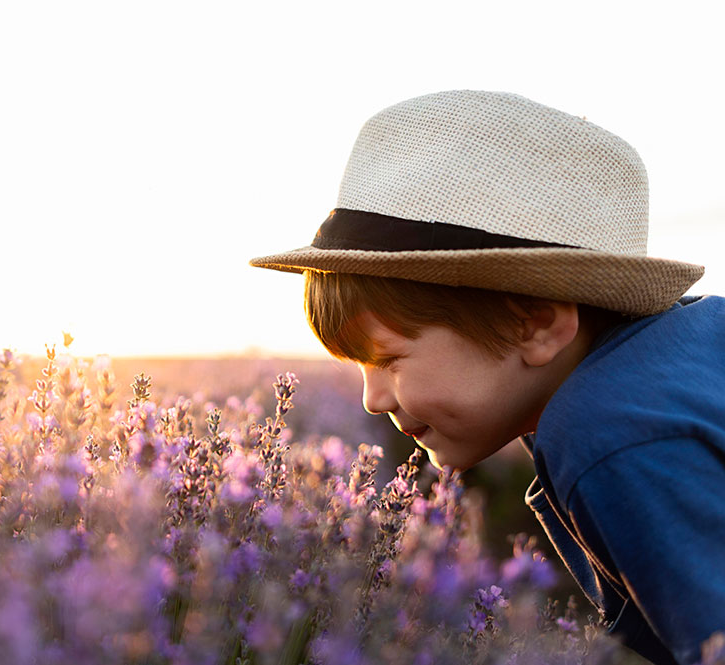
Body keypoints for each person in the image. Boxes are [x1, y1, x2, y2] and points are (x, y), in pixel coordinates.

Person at [249, 90, 725, 665]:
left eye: (390, 359)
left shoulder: (610, 434)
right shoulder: (675, 356)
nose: (372, 401)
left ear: (538, 325)